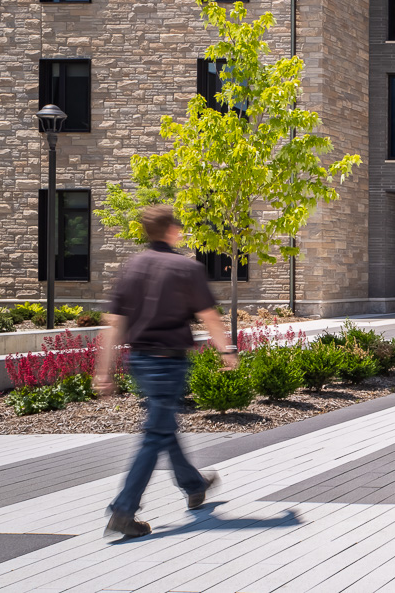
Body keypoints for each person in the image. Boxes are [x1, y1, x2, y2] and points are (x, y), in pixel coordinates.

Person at [93, 205, 237, 541]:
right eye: (179, 226)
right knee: (156, 434)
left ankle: (194, 484)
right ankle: (123, 510)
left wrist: (104, 371)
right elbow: (210, 316)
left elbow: (114, 323)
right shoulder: (186, 268)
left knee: (163, 426)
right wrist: (226, 350)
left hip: (140, 361)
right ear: (171, 230)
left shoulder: (132, 267)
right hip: (168, 362)